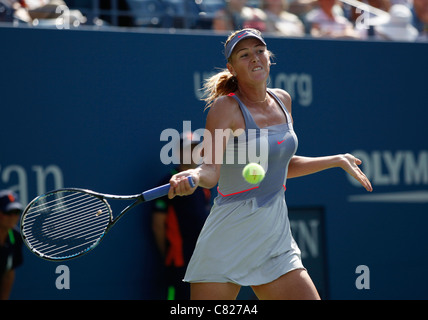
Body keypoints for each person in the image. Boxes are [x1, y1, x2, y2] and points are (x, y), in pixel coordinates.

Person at [166, 28, 373, 300]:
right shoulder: (224, 109)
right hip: (230, 236)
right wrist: (192, 175)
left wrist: (336, 160)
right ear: (232, 67)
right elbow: (210, 170)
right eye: (244, 55)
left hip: (274, 236)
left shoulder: (283, 99)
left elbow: (281, 164)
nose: (254, 58)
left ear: (268, 57)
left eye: (259, 51)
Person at [152, 132, 211, 300]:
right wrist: (168, 254)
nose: (192, 153)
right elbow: (158, 224)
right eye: (188, 149)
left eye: (195, 149)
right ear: (179, 152)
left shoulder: (204, 181)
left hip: (201, 256)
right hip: (178, 258)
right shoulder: (167, 182)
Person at [0, 190, 24, 300]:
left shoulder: (15, 236)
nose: (13, 217)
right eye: (8, 212)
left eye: (16, 212)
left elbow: (8, 273)